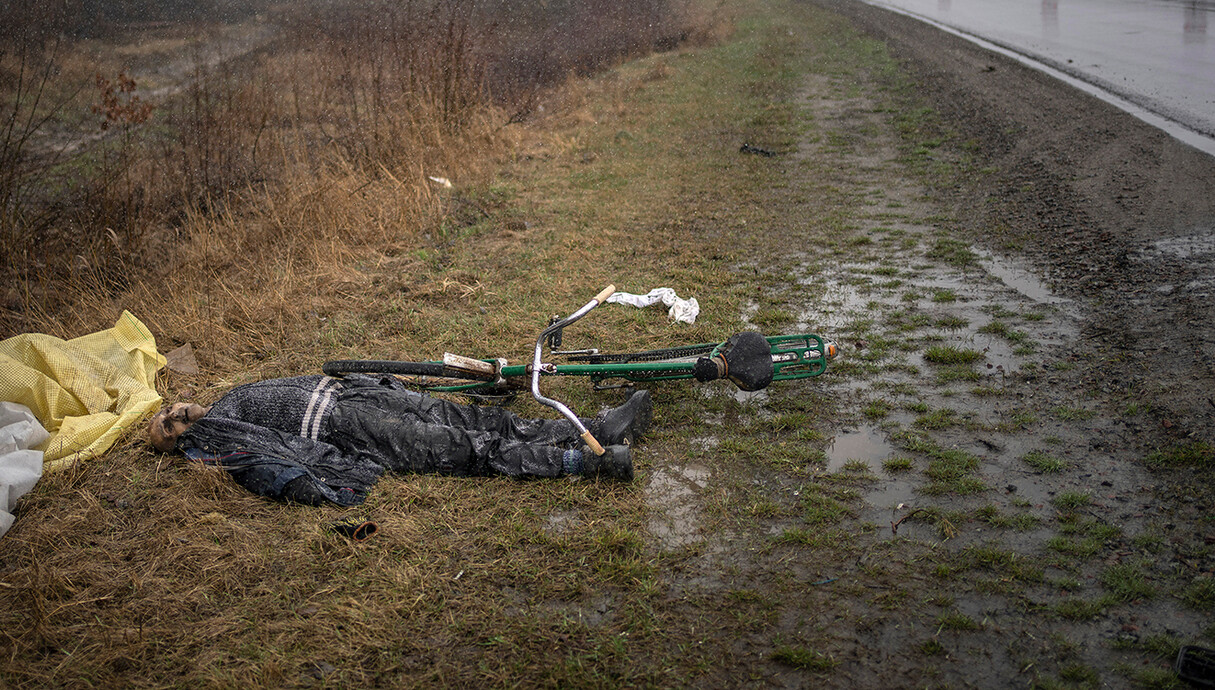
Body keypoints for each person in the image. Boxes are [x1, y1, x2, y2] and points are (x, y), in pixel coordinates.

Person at [148, 374, 652, 506]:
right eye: (169, 429)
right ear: (177, 447)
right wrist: (313, 483)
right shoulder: (219, 440)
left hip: (357, 398)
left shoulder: (226, 402)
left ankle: (591, 428)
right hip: (350, 429)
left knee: (473, 418)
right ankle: (585, 462)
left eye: (168, 412)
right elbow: (269, 470)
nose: (175, 417)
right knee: (461, 447)